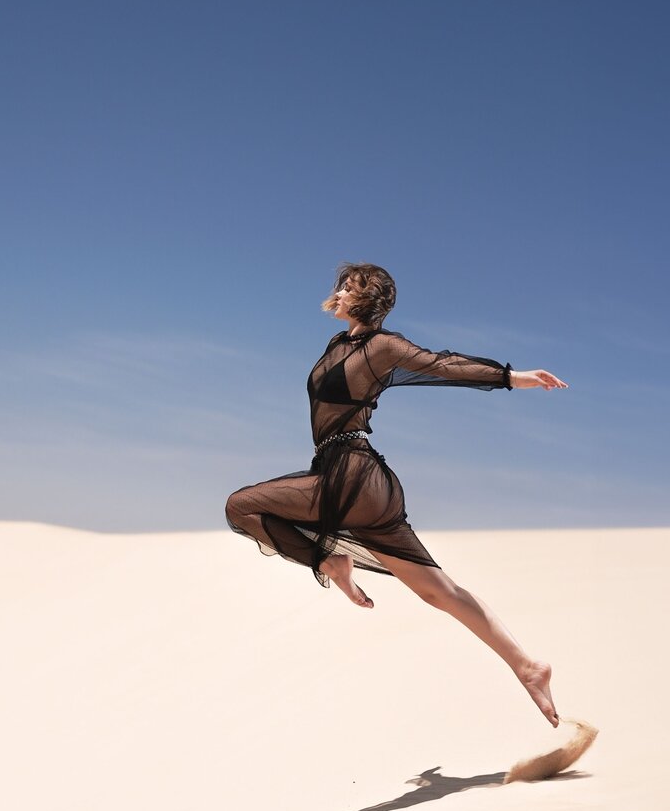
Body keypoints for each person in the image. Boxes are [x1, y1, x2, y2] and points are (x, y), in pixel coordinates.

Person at [225, 262, 568, 727]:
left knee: (241, 507)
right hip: (353, 483)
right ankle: (528, 668)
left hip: (352, 475)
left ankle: (329, 563)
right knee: (439, 592)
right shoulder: (337, 344)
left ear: (368, 300)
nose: (339, 292)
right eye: (342, 285)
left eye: (350, 287)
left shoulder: (382, 346)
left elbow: (440, 365)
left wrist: (512, 377)